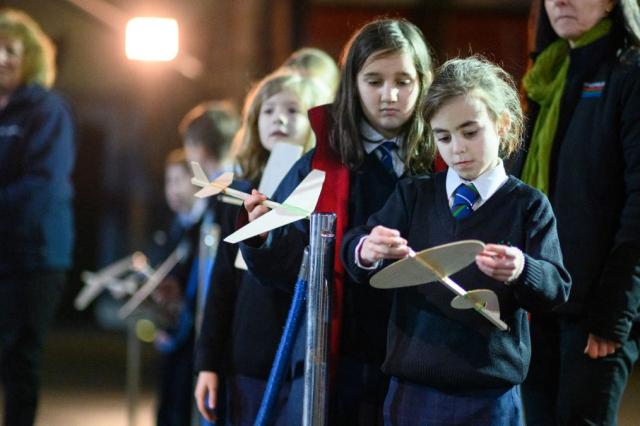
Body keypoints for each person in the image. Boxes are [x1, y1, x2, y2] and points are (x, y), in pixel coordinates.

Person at [341, 56, 572, 425]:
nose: (457, 149)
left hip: (489, 398)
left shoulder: (528, 205)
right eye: (443, 137)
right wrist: (367, 249)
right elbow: (354, 245)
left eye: (470, 132)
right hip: (410, 392)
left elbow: (556, 288)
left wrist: (523, 269)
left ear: (503, 124)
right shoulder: (413, 195)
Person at [240, 18, 441, 425]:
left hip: (422, 352)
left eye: (404, 81)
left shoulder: (446, 155)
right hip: (340, 353)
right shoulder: (320, 161)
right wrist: (265, 237)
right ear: (352, 84)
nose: (390, 95)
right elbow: (292, 268)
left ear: (423, 83)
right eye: (374, 80)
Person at [512, 1, 640, 425]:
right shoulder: (546, 75)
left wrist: (613, 315)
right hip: (538, 298)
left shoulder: (631, 72)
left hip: (594, 311)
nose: (559, 1)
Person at [194, 71, 332, 425]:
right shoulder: (238, 191)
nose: (279, 119)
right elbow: (221, 282)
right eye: (268, 111)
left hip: (297, 359)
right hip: (245, 358)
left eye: (293, 110)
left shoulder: (321, 189)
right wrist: (208, 363)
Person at [0, 9, 75, 426]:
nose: (1, 59)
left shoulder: (48, 110)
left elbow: (41, 187)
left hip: (34, 258)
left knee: (19, 362)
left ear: (30, 57)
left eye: (11, 50)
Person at [151, 148, 209, 426]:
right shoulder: (175, 226)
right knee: (167, 405)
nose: (171, 189)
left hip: (195, 338)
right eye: (167, 181)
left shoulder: (206, 224)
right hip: (174, 333)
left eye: (177, 180)